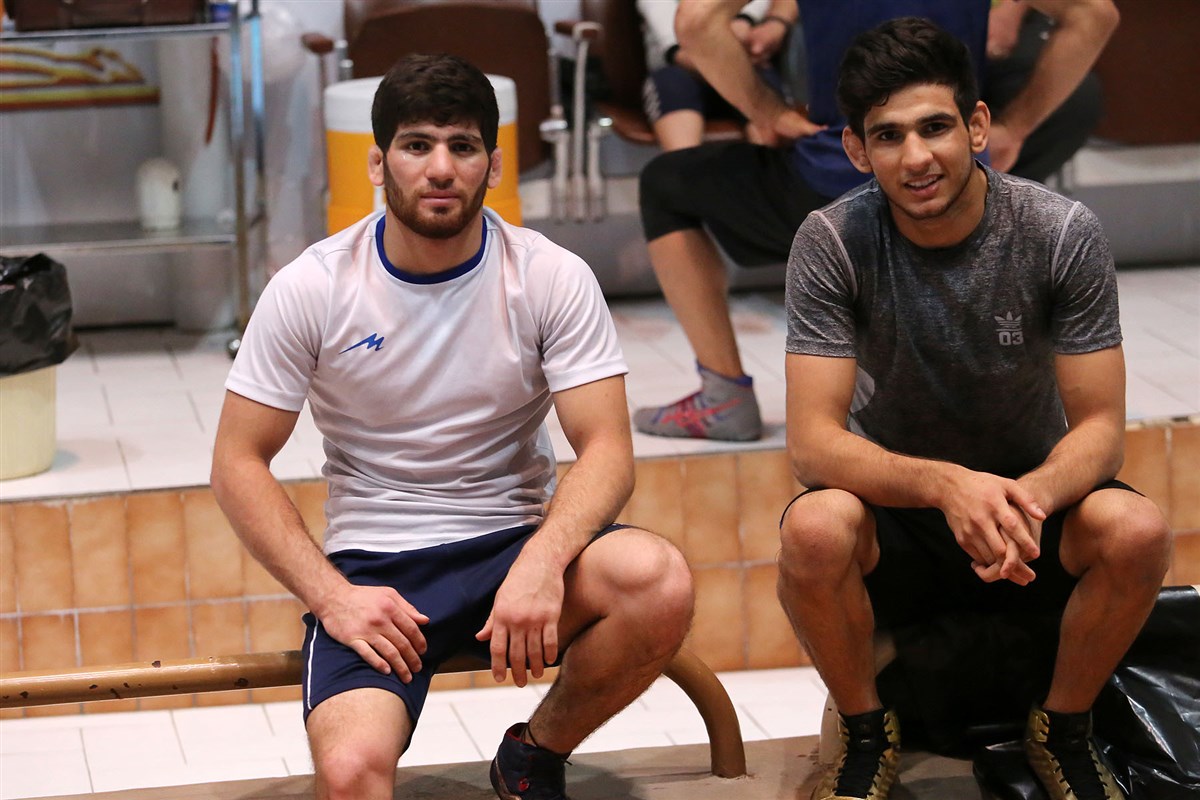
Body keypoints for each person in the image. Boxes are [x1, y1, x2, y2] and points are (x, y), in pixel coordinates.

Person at [210, 53, 694, 800]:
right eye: (416, 145)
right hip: (377, 569)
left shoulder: (548, 275)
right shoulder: (312, 286)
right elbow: (237, 462)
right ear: (378, 163)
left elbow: (607, 449)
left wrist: (542, 561)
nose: (440, 169)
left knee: (657, 581)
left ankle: (534, 753)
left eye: (462, 146)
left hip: (514, 541)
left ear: (492, 166)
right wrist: (333, 598)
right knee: (350, 775)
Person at [776, 18, 1171, 800]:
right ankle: (866, 736)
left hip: (1034, 509)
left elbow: (1101, 430)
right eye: (887, 136)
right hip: (902, 514)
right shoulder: (833, 241)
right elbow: (813, 445)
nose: (916, 157)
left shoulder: (1059, 232)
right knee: (815, 529)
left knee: (1137, 531)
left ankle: (1063, 731)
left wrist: (1024, 500)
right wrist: (948, 486)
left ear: (978, 126)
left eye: (935, 127)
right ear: (856, 150)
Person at [633, 0, 1118, 441]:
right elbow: (1095, 15)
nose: (913, 157)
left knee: (665, 185)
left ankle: (724, 393)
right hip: (959, 178)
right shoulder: (1063, 221)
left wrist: (768, 113)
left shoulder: (830, 225)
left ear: (978, 123)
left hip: (829, 179)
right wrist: (1016, 126)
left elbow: (696, 21)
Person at [638, 0, 791, 151]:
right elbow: (676, 50)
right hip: (683, 68)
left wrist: (744, 21)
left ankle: (770, 161)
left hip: (744, 65)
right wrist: (732, 47)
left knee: (761, 83)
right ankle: (685, 162)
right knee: (671, 84)